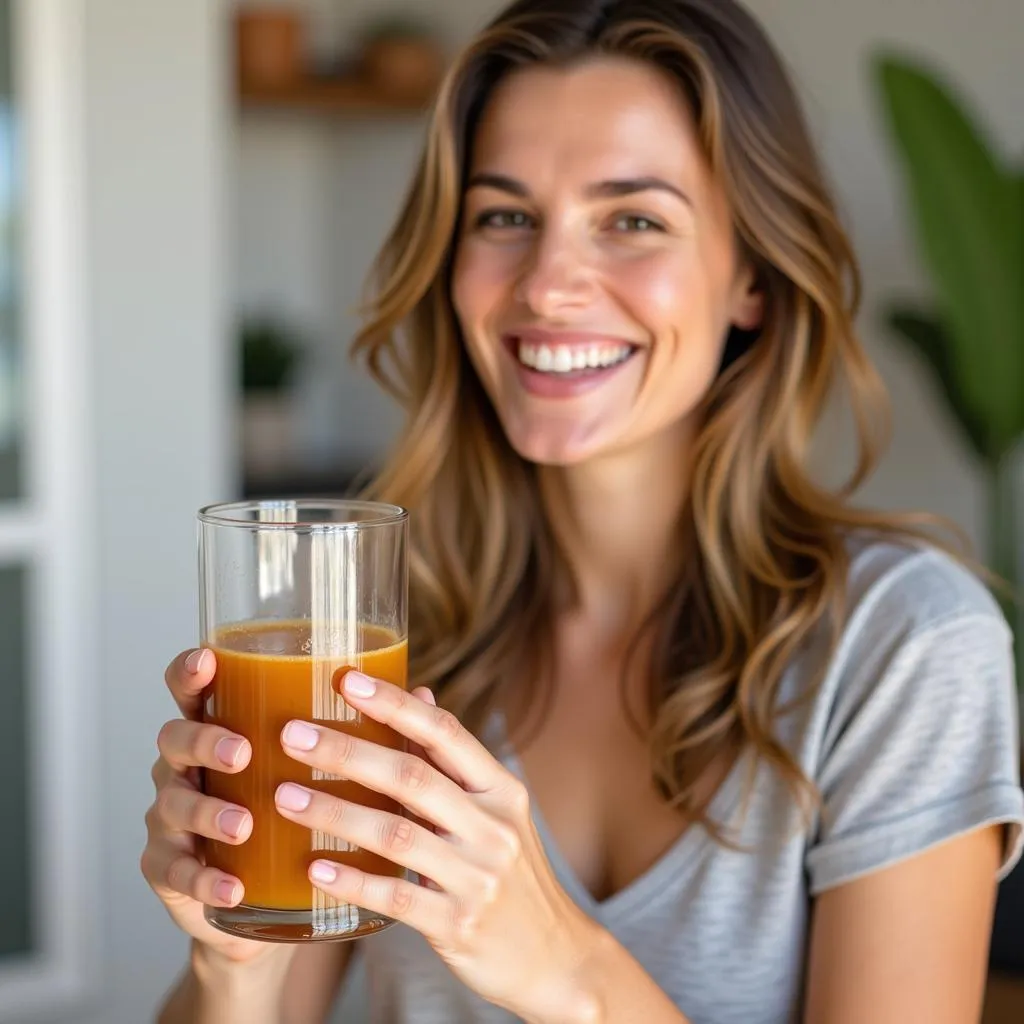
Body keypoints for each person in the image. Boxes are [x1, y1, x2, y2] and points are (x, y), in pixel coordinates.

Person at [143, 1, 1024, 1021]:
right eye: (504, 216)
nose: (551, 285)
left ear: (750, 275)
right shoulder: (384, 642)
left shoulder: (901, 646)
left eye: (633, 219)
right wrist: (230, 959)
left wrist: (567, 970)